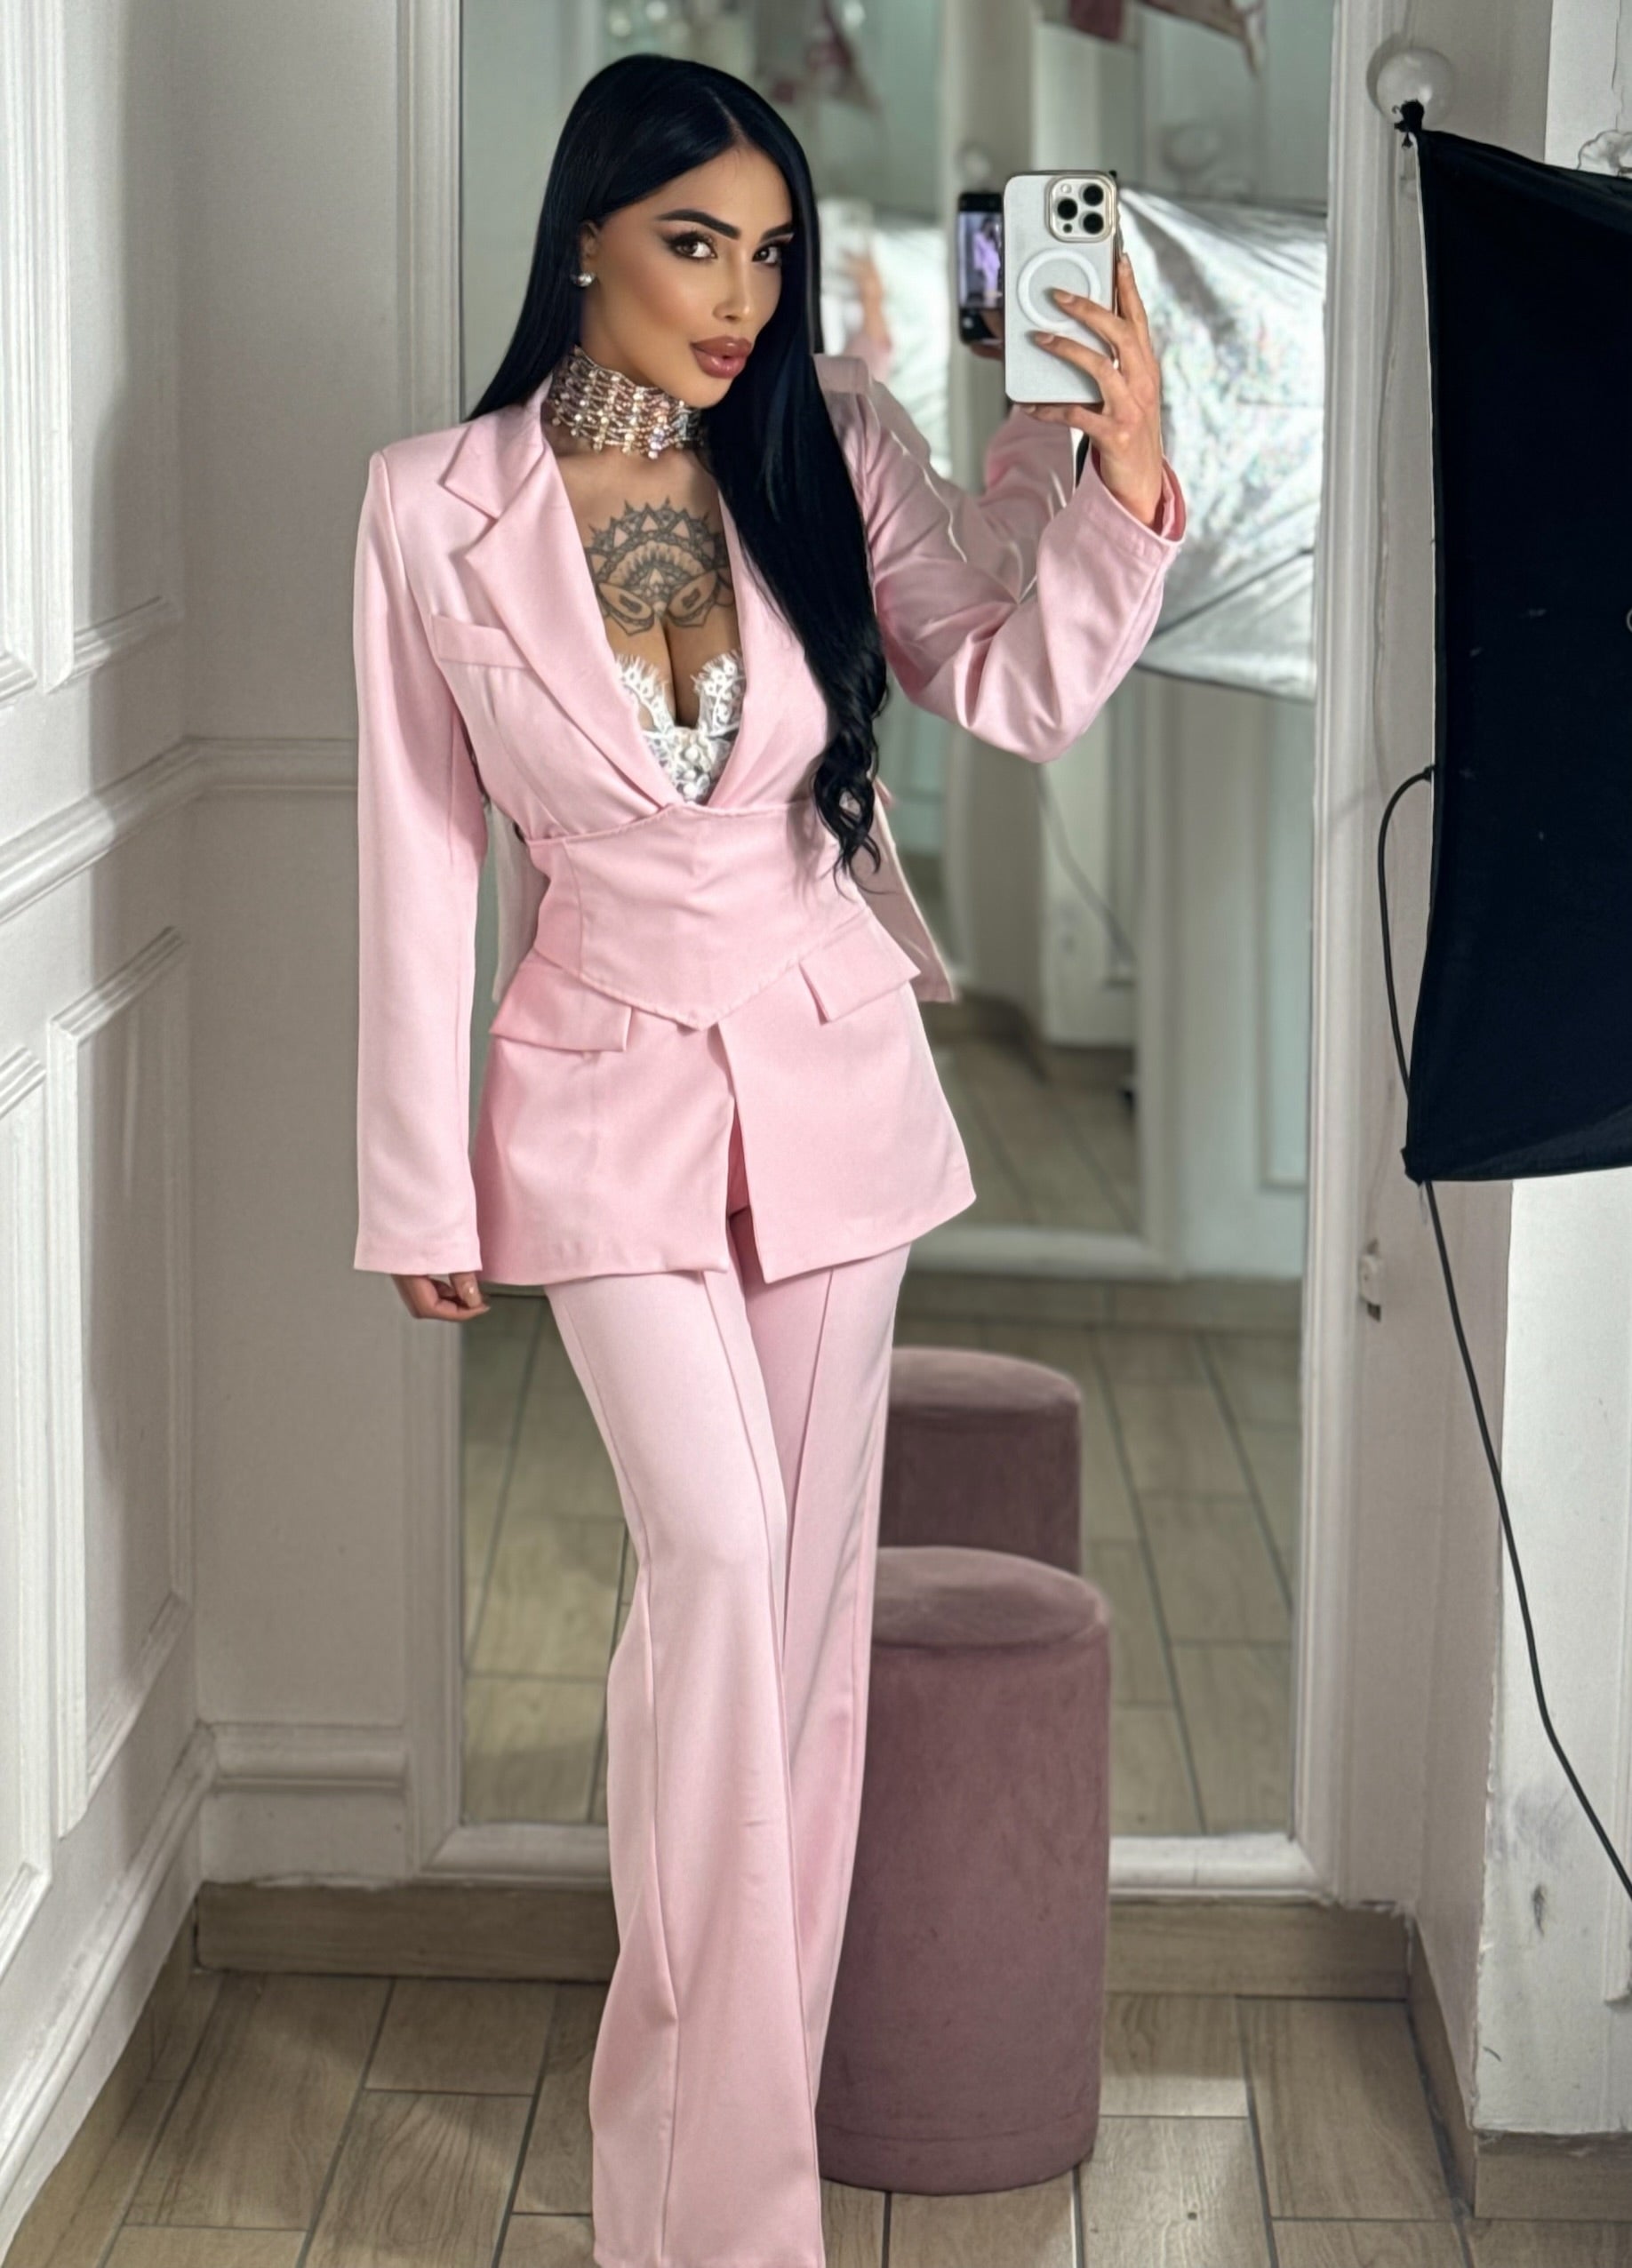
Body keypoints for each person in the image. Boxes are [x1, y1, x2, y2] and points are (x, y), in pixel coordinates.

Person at [351, 51, 1184, 2268]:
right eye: (694, 243)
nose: (740, 296)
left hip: (829, 1083)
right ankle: (710, 2209)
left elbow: (1009, 682)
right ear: (586, 240)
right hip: (599, 1086)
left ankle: (710, 2213)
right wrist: (418, 1181)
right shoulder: (431, 509)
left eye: (771, 253)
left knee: (787, 1660)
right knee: (715, 1575)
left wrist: (1114, 486)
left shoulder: (833, 439)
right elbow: (420, 855)